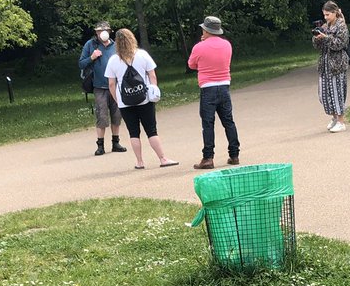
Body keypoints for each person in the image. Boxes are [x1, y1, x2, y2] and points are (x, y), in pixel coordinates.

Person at [104, 28, 178, 170]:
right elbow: (152, 75)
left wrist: (118, 100)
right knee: (151, 130)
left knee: (133, 132)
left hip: (125, 101)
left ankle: (139, 162)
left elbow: (111, 84)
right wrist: (153, 90)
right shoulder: (142, 55)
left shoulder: (113, 60)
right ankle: (162, 158)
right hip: (144, 99)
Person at [188, 15, 240, 170]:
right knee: (228, 121)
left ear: (207, 30)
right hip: (224, 86)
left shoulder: (199, 47)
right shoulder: (227, 45)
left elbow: (191, 64)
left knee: (208, 123)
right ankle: (234, 154)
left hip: (208, 87)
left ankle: (208, 157)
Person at [78, 21, 128, 156]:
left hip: (116, 85)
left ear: (109, 31)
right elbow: (81, 64)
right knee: (101, 116)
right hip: (99, 86)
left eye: (105, 30)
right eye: (100, 31)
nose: (102, 33)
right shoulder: (90, 45)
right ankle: (100, 145)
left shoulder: (116, 45)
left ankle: (115, 142)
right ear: (96, 33)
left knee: (117, 114)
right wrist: (92, 57)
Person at [312, 1, 350, 132]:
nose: (326, 17)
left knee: (336, 92)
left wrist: (326, 38)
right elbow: (318, 46)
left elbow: (339, 44)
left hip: (337, 64)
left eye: (328, 14)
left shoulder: (341, 26)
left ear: (335, 13)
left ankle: (341, 121)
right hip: (324, 65)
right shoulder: (325, 26)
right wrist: (317, 38)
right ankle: (334, 117)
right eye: (324, 15)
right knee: (324, 94)